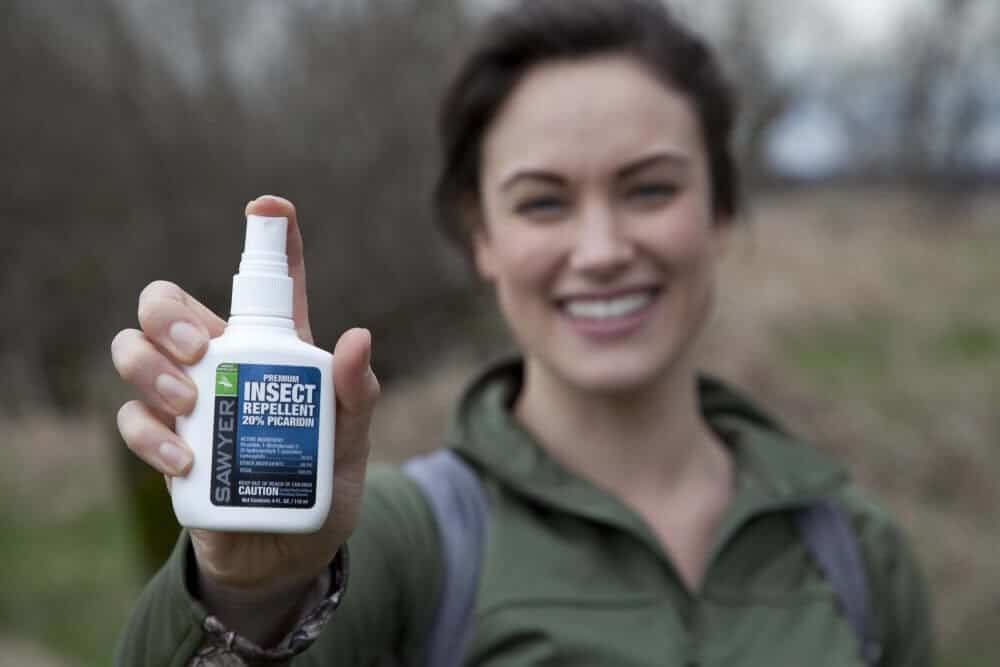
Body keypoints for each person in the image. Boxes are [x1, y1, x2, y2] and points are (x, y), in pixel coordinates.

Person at [111, 0, 932, 664]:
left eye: (649, 190)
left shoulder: (856, 552)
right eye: (543, 201)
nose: (604, 250)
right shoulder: (390, 547)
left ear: (718, 210)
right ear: (480, 236)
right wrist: (246, 599)